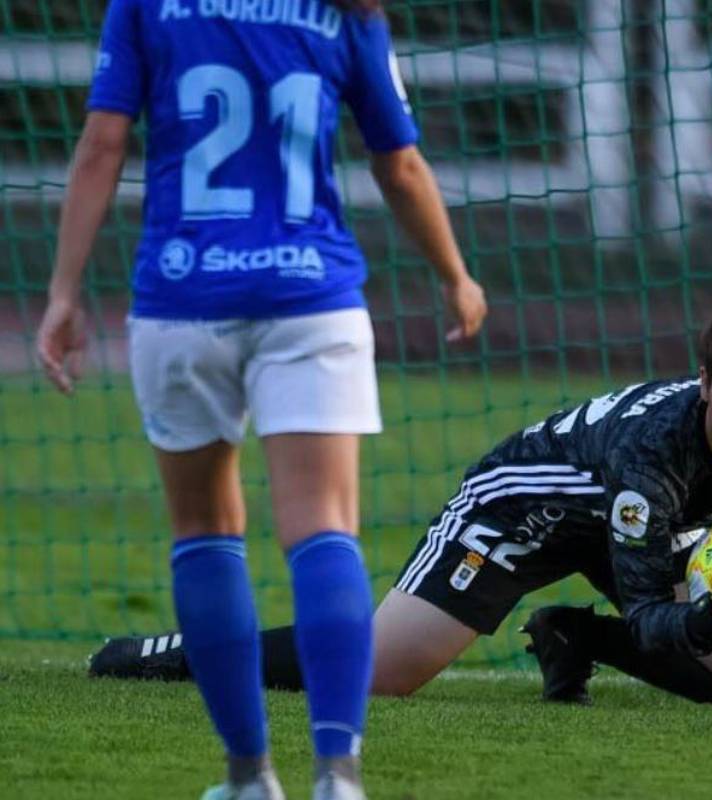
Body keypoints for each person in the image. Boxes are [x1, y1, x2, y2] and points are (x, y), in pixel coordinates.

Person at [36, 0, 487, 797]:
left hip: (182, 298)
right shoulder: (347, 11)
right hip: (311, 297)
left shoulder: (144, 6)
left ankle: (249, 777)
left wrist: (65, 292)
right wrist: (455, 276)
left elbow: (103, 144)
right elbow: (401, 164)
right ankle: (339, 776)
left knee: (206, 533)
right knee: (322, 529)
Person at [91, 285, 712, 711]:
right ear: (704, 385)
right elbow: (655, 605)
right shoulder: (654, 447)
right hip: (525, 507)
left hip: (638, 527)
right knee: (382, 674)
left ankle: (576, 637)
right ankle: (190, 652)